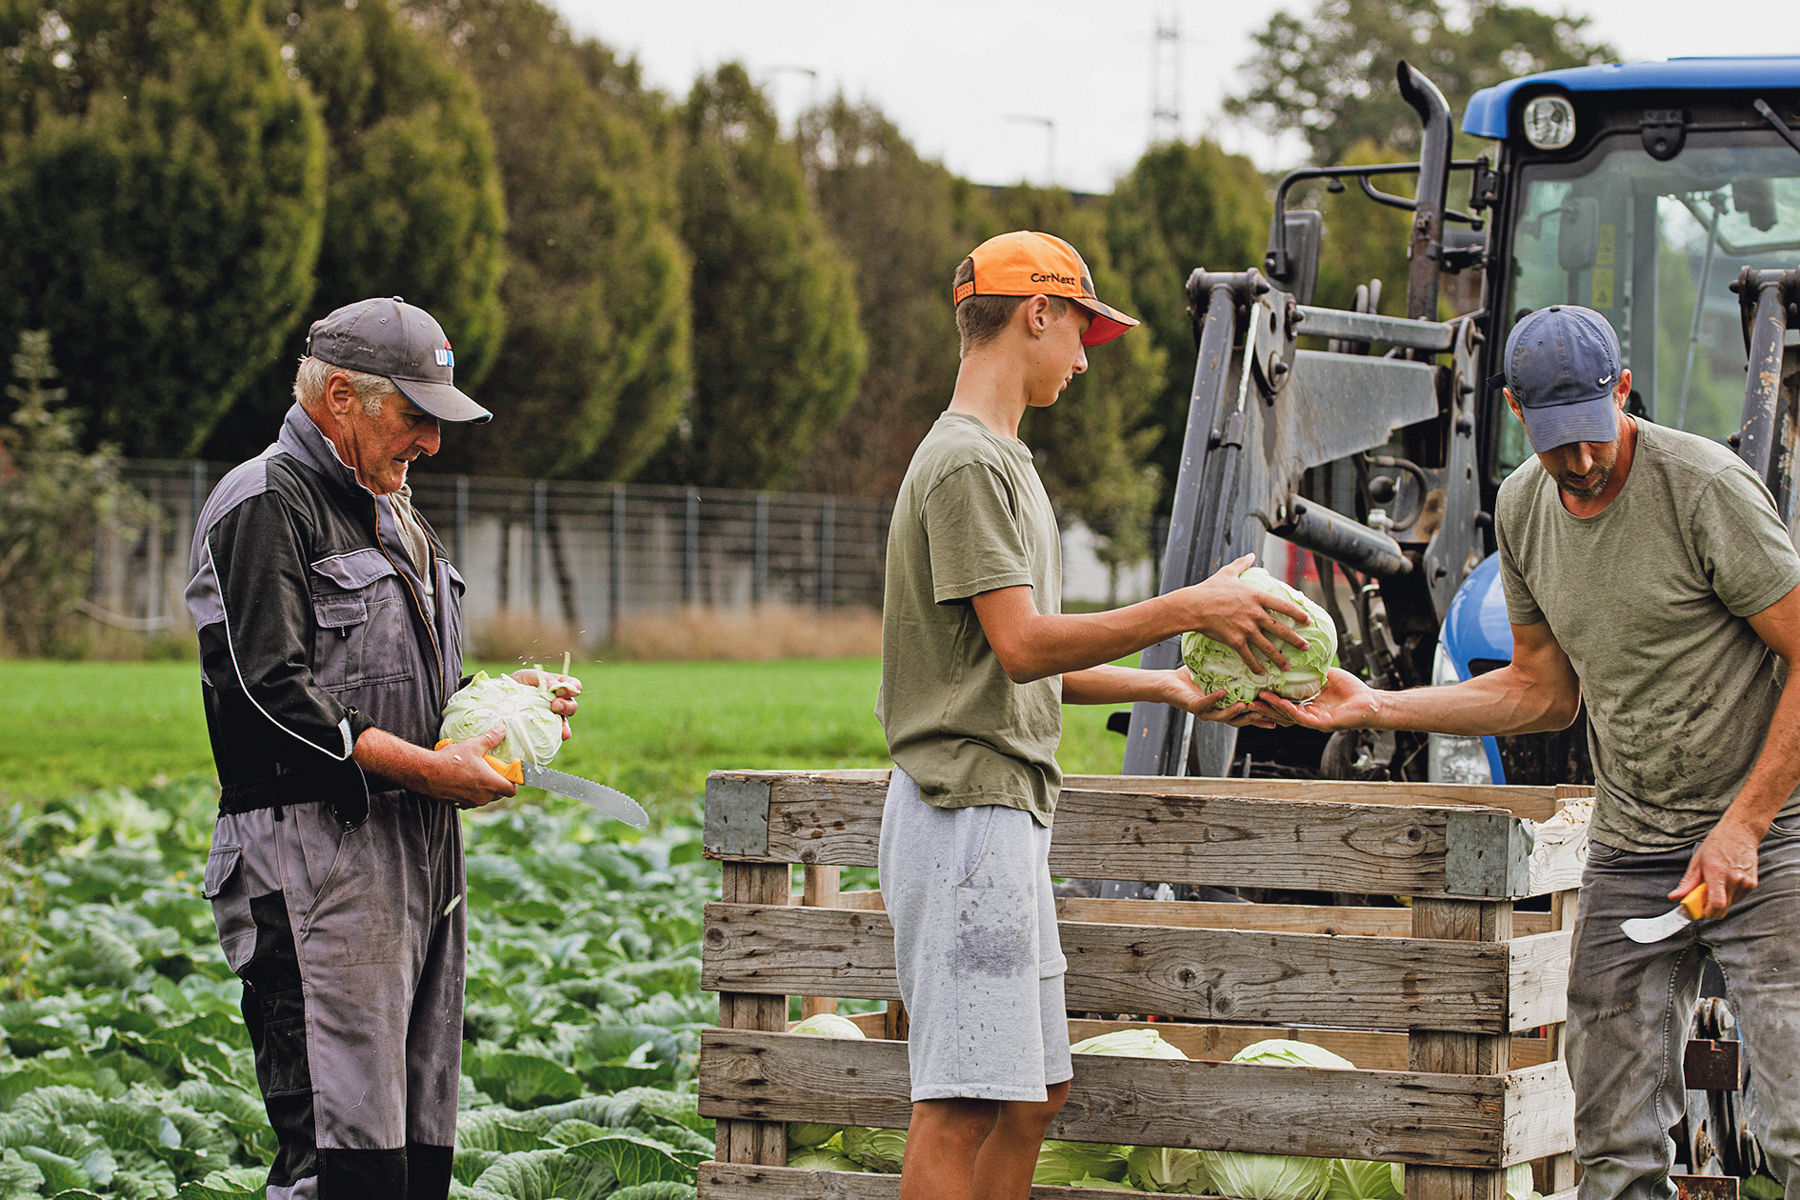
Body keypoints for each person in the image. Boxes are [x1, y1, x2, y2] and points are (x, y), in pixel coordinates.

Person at [1252, 305, 1800, 1200]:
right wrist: (1374, 703)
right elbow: (1540, 690)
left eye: (1593, 436)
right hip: (1636, 848)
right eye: (1557, 445)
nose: (1580, 464)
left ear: (1621, 392)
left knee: (1796, 1128)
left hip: (1771, 844)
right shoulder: (1522, 507)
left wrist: (1744, 825)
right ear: (1515, 412)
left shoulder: (1703, 488)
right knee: (1613, 1139)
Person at [874, 230, 1314, 1200]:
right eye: (1081, 332)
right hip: (964, 818)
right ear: (1036, 312)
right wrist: (1189, 609)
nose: (1082, 358)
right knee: (960, 1103)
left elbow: (1012, 662)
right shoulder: (969, 467)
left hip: (1000, 818)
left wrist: (1169, 685)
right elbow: (1028, 645)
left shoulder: (1004, 463)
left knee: (1033, 1094)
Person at [185, 297, 578, 1200]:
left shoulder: (397, 513)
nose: (431, 445)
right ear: (339, 399)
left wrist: (506, 704)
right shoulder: (262, 505)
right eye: (415, 418)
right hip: (312, 865)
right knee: (339, 1161)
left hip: (418, 865)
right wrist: (431, 769)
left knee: (413, 1152)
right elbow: (268, 691)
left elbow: (408, 679)